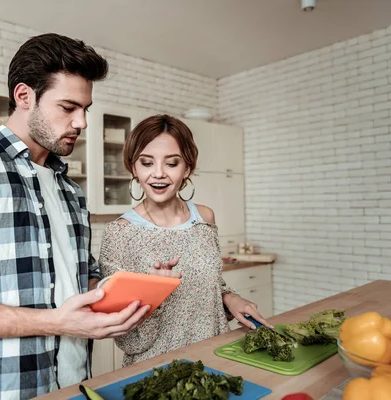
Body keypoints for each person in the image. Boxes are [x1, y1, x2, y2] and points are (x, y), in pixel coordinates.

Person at [0, 33, 176, 400]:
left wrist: (134, 288)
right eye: (69, 107)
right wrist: (55, 322)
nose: (82, 122)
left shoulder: (71, 192)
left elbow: (80, 281)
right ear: (24, 96)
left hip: (75, 387)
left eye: (85, 109)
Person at [98, 114, 273, 366]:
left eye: (171, 163)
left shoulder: (204, 218)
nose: (158, 174)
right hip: (156, 371)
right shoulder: (119, 233)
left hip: (215, 357)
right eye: (147, 163)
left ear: (187, 168)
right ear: (134, 168)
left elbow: (211, 282)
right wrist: (151, 292)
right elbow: (123, 333)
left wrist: (229, 297)